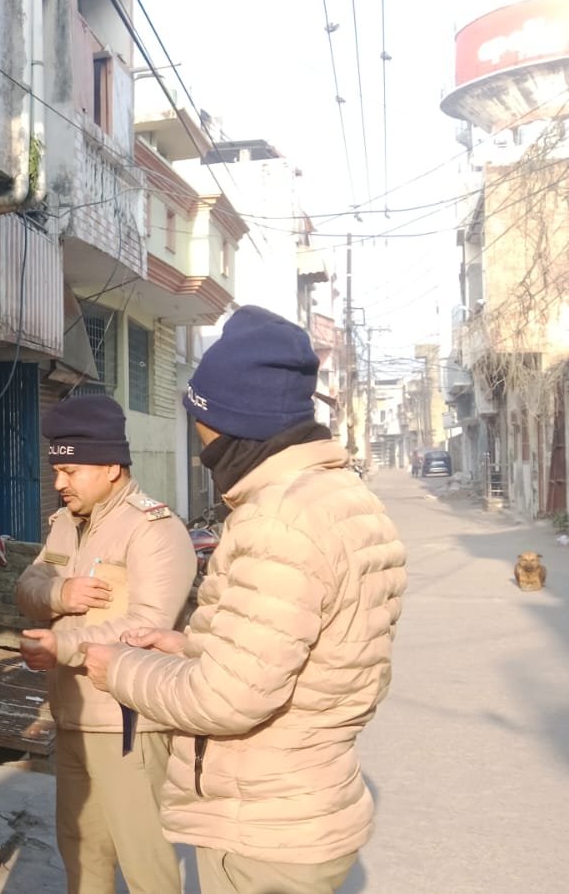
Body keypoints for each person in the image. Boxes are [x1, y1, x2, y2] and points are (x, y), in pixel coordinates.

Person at [78, 306, 406, 894]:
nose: (200, 442)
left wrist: (120, 670)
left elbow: (227, 698)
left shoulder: (281, 519)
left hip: (261, 831)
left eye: (200, 424)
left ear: (229, 422)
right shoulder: (345, 500)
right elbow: (316, 658)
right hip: (307, 804)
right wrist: (188, 647)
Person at [12, 395, 192, 894]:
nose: (59, 483)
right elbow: (27, 586)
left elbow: (148, 625)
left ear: (112, 466)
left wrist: (63, 645)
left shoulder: (153, 530)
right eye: (57, 470)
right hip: (72, 717)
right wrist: (59, 593)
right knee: (81, 852)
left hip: (127, 723)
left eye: (70, 470)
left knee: (145, 863)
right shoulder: (66, 525)